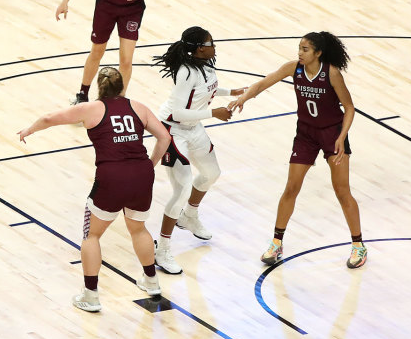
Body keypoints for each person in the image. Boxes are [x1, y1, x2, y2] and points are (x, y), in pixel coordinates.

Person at [18, 67, 172, 312]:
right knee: (139, 229)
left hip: (111, 177)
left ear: (100, 87)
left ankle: (91, 295)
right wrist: (149, 165)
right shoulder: (139, 107)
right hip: (141, 175)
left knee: (92, 236)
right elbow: (164, 137)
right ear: (122, 86)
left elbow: (49, 118)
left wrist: (29, 130)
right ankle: (152, 282)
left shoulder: (91, 109)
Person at [228, 32, 367, 269]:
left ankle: (358, 246)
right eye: (299, 48)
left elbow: (350, 107)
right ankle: (276, 242)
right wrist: (244, 98)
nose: (300, 53)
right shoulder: (294, 68)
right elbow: (262, 83)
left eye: (305, 49)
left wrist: (342, 137)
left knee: (342, 191)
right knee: (291, 187)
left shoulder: (331, 73)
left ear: (318, 53)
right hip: (305, 134)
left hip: (332, 134)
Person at [150, 27, 246, 275]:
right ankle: (162, 250)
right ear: (199, 48)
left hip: (193, 127)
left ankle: (189, 216)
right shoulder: (185, 73)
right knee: (181, 188)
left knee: (211, 173)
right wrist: (214, 113)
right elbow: (178, 112)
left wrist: (230, 92)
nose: (214, 45)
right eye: (210, 42)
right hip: (172, 130)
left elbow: (206, 89)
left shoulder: (207, 65)